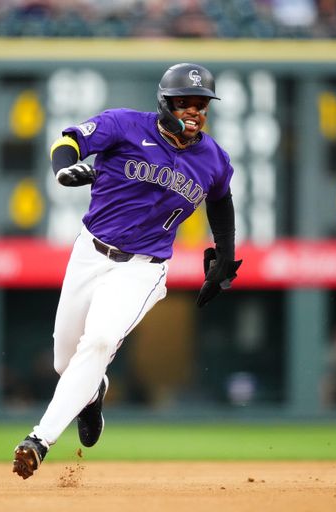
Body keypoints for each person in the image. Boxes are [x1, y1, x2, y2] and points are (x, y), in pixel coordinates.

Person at [12, 63, 242, 479]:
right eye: (185, 103)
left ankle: (38, 441)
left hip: (143, 269)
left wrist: (224, 254)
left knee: (98, 341)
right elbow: (68, 142)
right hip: (89, 253)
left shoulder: (213, 159)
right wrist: (65, 169)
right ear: (165, 103)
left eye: (202, 105)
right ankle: (94, 391)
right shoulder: (123, 124)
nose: (195, 111)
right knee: (66, 362)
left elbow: (221, 201)